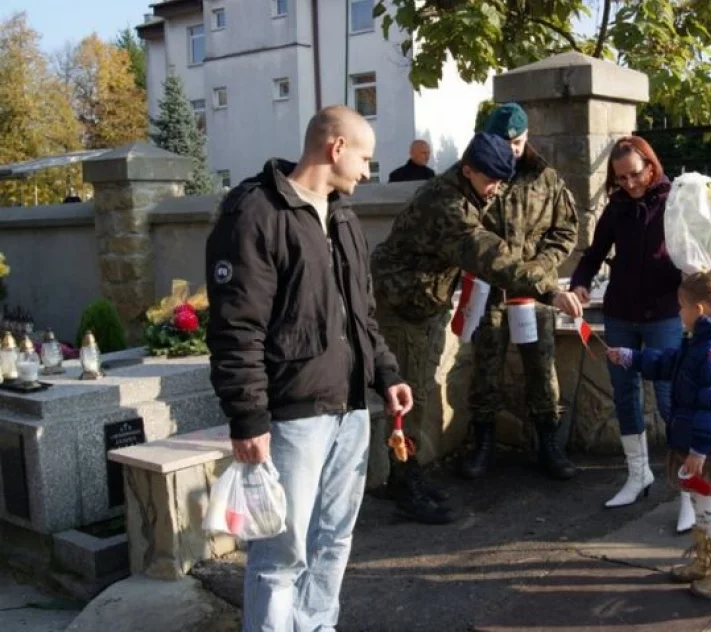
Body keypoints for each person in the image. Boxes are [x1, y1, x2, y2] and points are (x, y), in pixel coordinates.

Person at [205, 105, 413, 631]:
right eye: (364, 157)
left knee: (334, 540)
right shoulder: (254, 212)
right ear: (336, 147)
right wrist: (247, 419)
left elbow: (361, 313)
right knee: (281, 555)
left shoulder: (343, 216)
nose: (368, 171)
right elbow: (237, 327)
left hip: (350, 411)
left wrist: (386, 375)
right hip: (293, 417)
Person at [371, 132, 584, 524]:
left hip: (425, 304)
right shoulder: (448, 204)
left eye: (503, 182)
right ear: (467, 170)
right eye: (491, 182)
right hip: (403, 308)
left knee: (416, 394)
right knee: (406, 400)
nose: (496, 191)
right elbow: (490, 255)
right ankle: (403, 483)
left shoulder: (468, 190)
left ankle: (407, 473)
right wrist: (550, 289)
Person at [569, 136, 692, 532]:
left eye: (634, 175)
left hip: (664, 313)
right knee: (625, 393)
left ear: (651, 167)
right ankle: (639, 475)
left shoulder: (676, 201)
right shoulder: (618, 206)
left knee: (670, 397)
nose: (629, 184)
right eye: (620, 178)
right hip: (621, 312)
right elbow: (593, 253)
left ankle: (688, 489)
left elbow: (694, 252)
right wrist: (580, 283)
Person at [606, 269, 711, 600]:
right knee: (702, 506)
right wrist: (631, 357)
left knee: (710, 508)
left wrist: (698, 451)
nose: (677, 313)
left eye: (681, 306)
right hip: (702, 446)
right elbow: (668, 363)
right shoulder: (698, 344)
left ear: (699, 310)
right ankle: (704, 563)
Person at [459, 102, 579, 481]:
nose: (511, 148)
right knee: (485, 367)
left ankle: (548, 445)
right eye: (504, 141)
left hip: (535, 290)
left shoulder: (547, 179)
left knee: (541, 368)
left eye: (518, 141)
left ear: (528, 138)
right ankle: (483, 445)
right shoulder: (479, 172)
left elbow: (565, 232)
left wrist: (539, 269)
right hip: (488, 289)